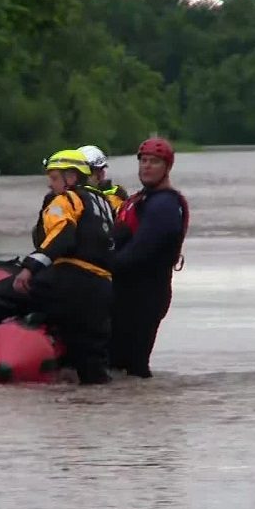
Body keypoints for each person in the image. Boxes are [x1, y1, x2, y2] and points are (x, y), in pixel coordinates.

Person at [0, 149, 116, 384]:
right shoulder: (104, 203)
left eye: (54, 178)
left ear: (71, 178)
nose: (51, 185)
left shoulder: (66, 199)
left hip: (68, 280)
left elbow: (62, 237)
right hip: (101, 287)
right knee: (93, 366)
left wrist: (30, 268)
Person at [108, 137, 190, 379]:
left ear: (167, 167)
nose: (146, 166)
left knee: (132, 368)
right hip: (127, 291)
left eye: (154, 162)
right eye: (143, 161)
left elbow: (140, 251)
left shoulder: (164, 205)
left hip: (146, 294)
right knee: (117, 365)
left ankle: (145, 412)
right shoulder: (142, 199)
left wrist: (102, 267)